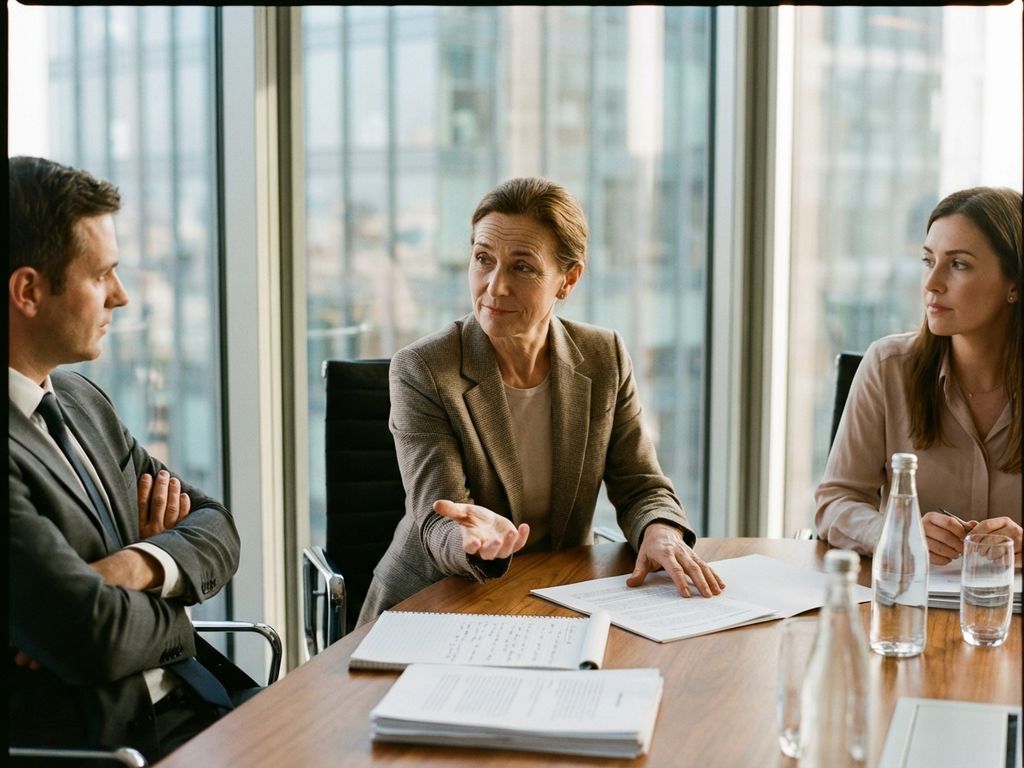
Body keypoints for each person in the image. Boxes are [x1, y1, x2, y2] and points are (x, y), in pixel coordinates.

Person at [358, 176, 725, 625]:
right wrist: (472, 540)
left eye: (522, 267)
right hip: (436, 601)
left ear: (568, 280)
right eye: (483, 260)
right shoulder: (424, 368)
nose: (495, 287)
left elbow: (641, 485)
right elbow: (436, 516)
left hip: (552, 599)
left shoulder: (603, 355)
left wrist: (660, 531)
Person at [9, 155, 260, 762]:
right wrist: (173, 600)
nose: (121, 297)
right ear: (28, 291)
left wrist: (133, 566)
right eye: (103, 275)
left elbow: (217, 525)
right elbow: (92, 637)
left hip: (208, 701)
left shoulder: (78, 399)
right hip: (120, 745)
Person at [815, 186, 1022, 566]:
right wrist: (897, 532)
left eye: (958, 264)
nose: (931, 283)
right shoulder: (887, 366)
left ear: (1013, 283)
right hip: (910, 607)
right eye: (929, 261)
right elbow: (834, 504)